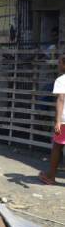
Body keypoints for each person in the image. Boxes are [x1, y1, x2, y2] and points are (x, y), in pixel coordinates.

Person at [40, 55, 65, 184]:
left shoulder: (61, 80)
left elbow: (61, 99)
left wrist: (58, 121)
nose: (58, 65)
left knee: (57, 147)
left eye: (60, 63)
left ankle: (51, 177)